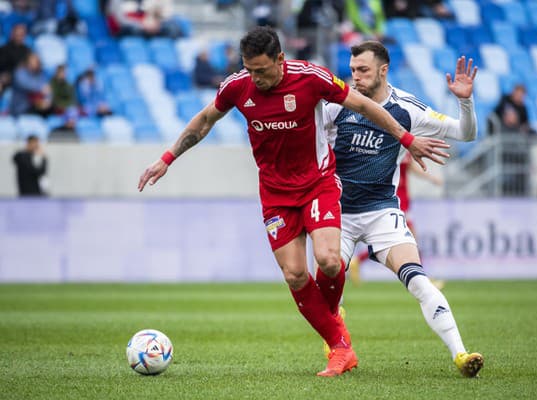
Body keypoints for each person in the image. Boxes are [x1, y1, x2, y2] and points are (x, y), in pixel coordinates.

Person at [138, 26, 449, 377]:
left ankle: (334, 330)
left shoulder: (311, 78)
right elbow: (205, 120)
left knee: (330, 261)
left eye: (262, 70)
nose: (255, 78)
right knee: (295, 273)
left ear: (280, 60)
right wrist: (166, 159)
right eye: (249, 69)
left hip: (318, 183)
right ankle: (340, 347)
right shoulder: (238, 86)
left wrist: (406, 138)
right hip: (275, 195)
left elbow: (362, 103)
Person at [322, 41, 483, 377]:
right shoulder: (337, 105)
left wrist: (465, 101)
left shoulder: (407, 109)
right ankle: (338, 342)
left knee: (420, 281)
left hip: (382, 211)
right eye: (352, 70)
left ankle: (462, 354)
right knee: (326, 285)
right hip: (337, 214)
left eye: (363, 70)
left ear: (383, 70)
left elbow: (465, 134)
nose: (356, 78)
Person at [347, 152, 444, 285]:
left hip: (404, 197)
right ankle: (423, 279)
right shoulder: (389, 146)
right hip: (394, 197)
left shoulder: (405, 148)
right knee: (410, 238)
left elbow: (410, 168)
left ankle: (358, 260)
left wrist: (431, 178)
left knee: (395, 238)